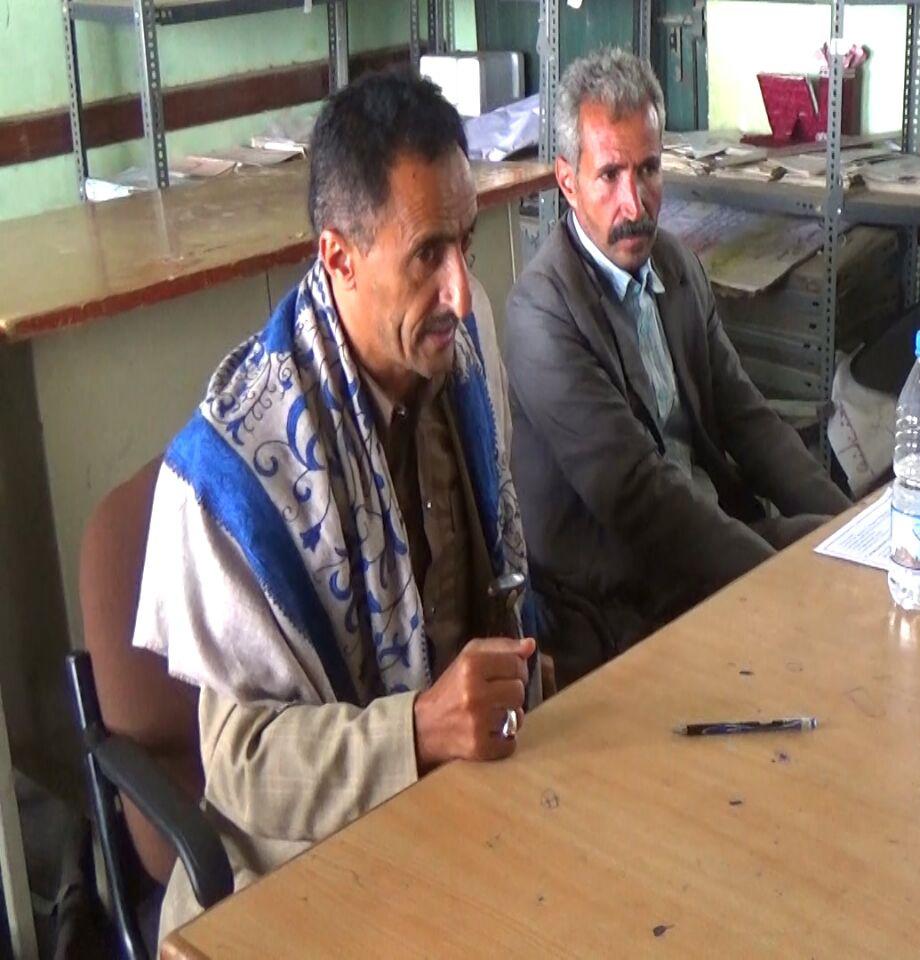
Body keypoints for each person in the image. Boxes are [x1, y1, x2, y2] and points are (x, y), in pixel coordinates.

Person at [132, 70, 545, 937]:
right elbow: (240, 768)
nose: (460, 290)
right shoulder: (238, 466)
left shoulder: (460, 346)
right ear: (338, 257)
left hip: (470, 809)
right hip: (299, 866)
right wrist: (416, 731)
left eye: (467, 242)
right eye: (427, 254)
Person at [504, 48, 850, 686]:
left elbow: (746, 416)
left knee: (848, 563)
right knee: (808, 631)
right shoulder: (541, 312)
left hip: (707, 538)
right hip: (618, 597)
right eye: (610, 175)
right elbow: (638, 495)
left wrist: (852, 524)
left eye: (649, 169)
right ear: (567, 181)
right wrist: (771, 576)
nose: (634, 203)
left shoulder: (674, 264)